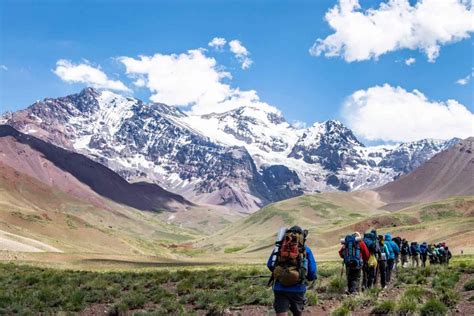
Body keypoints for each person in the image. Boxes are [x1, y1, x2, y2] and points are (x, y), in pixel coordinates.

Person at [267, 226, 317, 316]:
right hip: (298, 289)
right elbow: (312, 271)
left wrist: (280, 274)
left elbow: (270, 264)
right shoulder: (306, 250)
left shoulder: (280, 248)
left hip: (280, 288)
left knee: (281, 313)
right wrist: (308, 278)